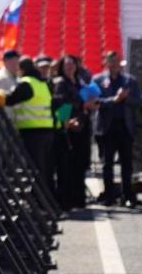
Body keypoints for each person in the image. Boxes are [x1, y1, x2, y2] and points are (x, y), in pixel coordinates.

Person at [92, 51, 140, 207]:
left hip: (124, 126)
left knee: (127, 164)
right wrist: (114, 100)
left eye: (116, 61)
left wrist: (126, 98)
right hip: (107, 127)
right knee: (107, 164)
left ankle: (127, 196)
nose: (114, 64)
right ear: (106, 63)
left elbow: (137, 101)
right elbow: (95, 101)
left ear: (120, 63)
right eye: (110, 61)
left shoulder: (129, 81)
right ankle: (109, 195)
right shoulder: (98, 80)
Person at [5, 56, 55, 194]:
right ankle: (47, 199)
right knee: (45, 167)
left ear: (21, 69)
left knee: (36, 168)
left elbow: (10, 100)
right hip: (47, 130)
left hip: (32, 131)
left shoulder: (26, 83)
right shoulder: (42, 83)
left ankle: (41, 200)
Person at [52, 55, 96, 209]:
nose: (70, 67)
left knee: (81, 164)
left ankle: (78, 197)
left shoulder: (80, 81)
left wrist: (89, 105)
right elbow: (59, 103)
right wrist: (66, 121)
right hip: (69, 129)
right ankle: (66, 200)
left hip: (83, 127)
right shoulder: (60, 83)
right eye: (67, 64)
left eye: (72, 64)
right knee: (66, 166)